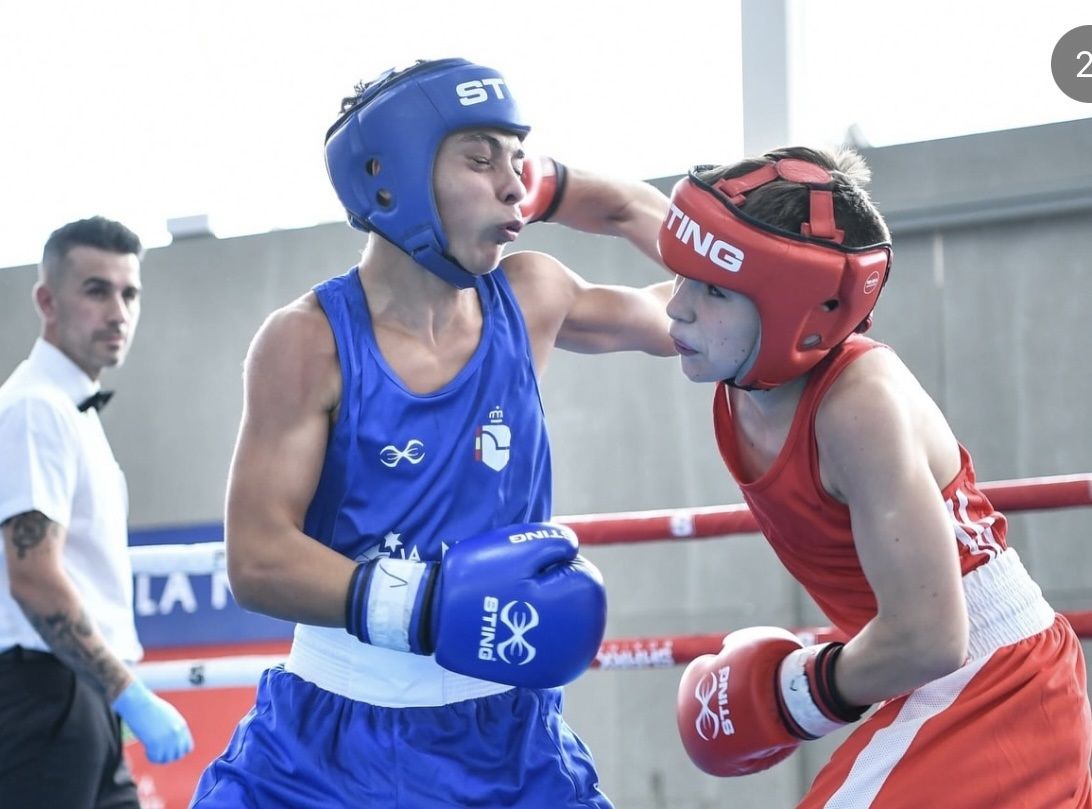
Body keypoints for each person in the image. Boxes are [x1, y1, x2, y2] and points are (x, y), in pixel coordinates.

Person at [189, 58, 674, 808]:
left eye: (519, 158)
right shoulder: (307, 341)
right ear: (395, 176)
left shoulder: (531, 295)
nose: (513, 182)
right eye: (480, 158)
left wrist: (592, 196)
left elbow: (686, 314)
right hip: (331, 746)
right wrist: (419, 603)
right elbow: (257, 557)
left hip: (508, 741)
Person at [668, 147, 1092, 807]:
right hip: (941, 680)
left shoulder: (858, 404)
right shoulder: (720, 340)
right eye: (681, 276)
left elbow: (930, 635)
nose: (677, 308)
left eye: (712, 288)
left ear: (795, 311)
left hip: (986, 679)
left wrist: (796, 694)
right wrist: (545, 188)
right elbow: (581, 303)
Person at [0, 217, 194, 808]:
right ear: (46, 300)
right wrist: (128, 692)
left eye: (128, 293)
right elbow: (33, 575)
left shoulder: (71, 409)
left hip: (74, 699)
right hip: (45, 695)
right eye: (96, 290)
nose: (117, 311)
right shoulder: (37, 408)